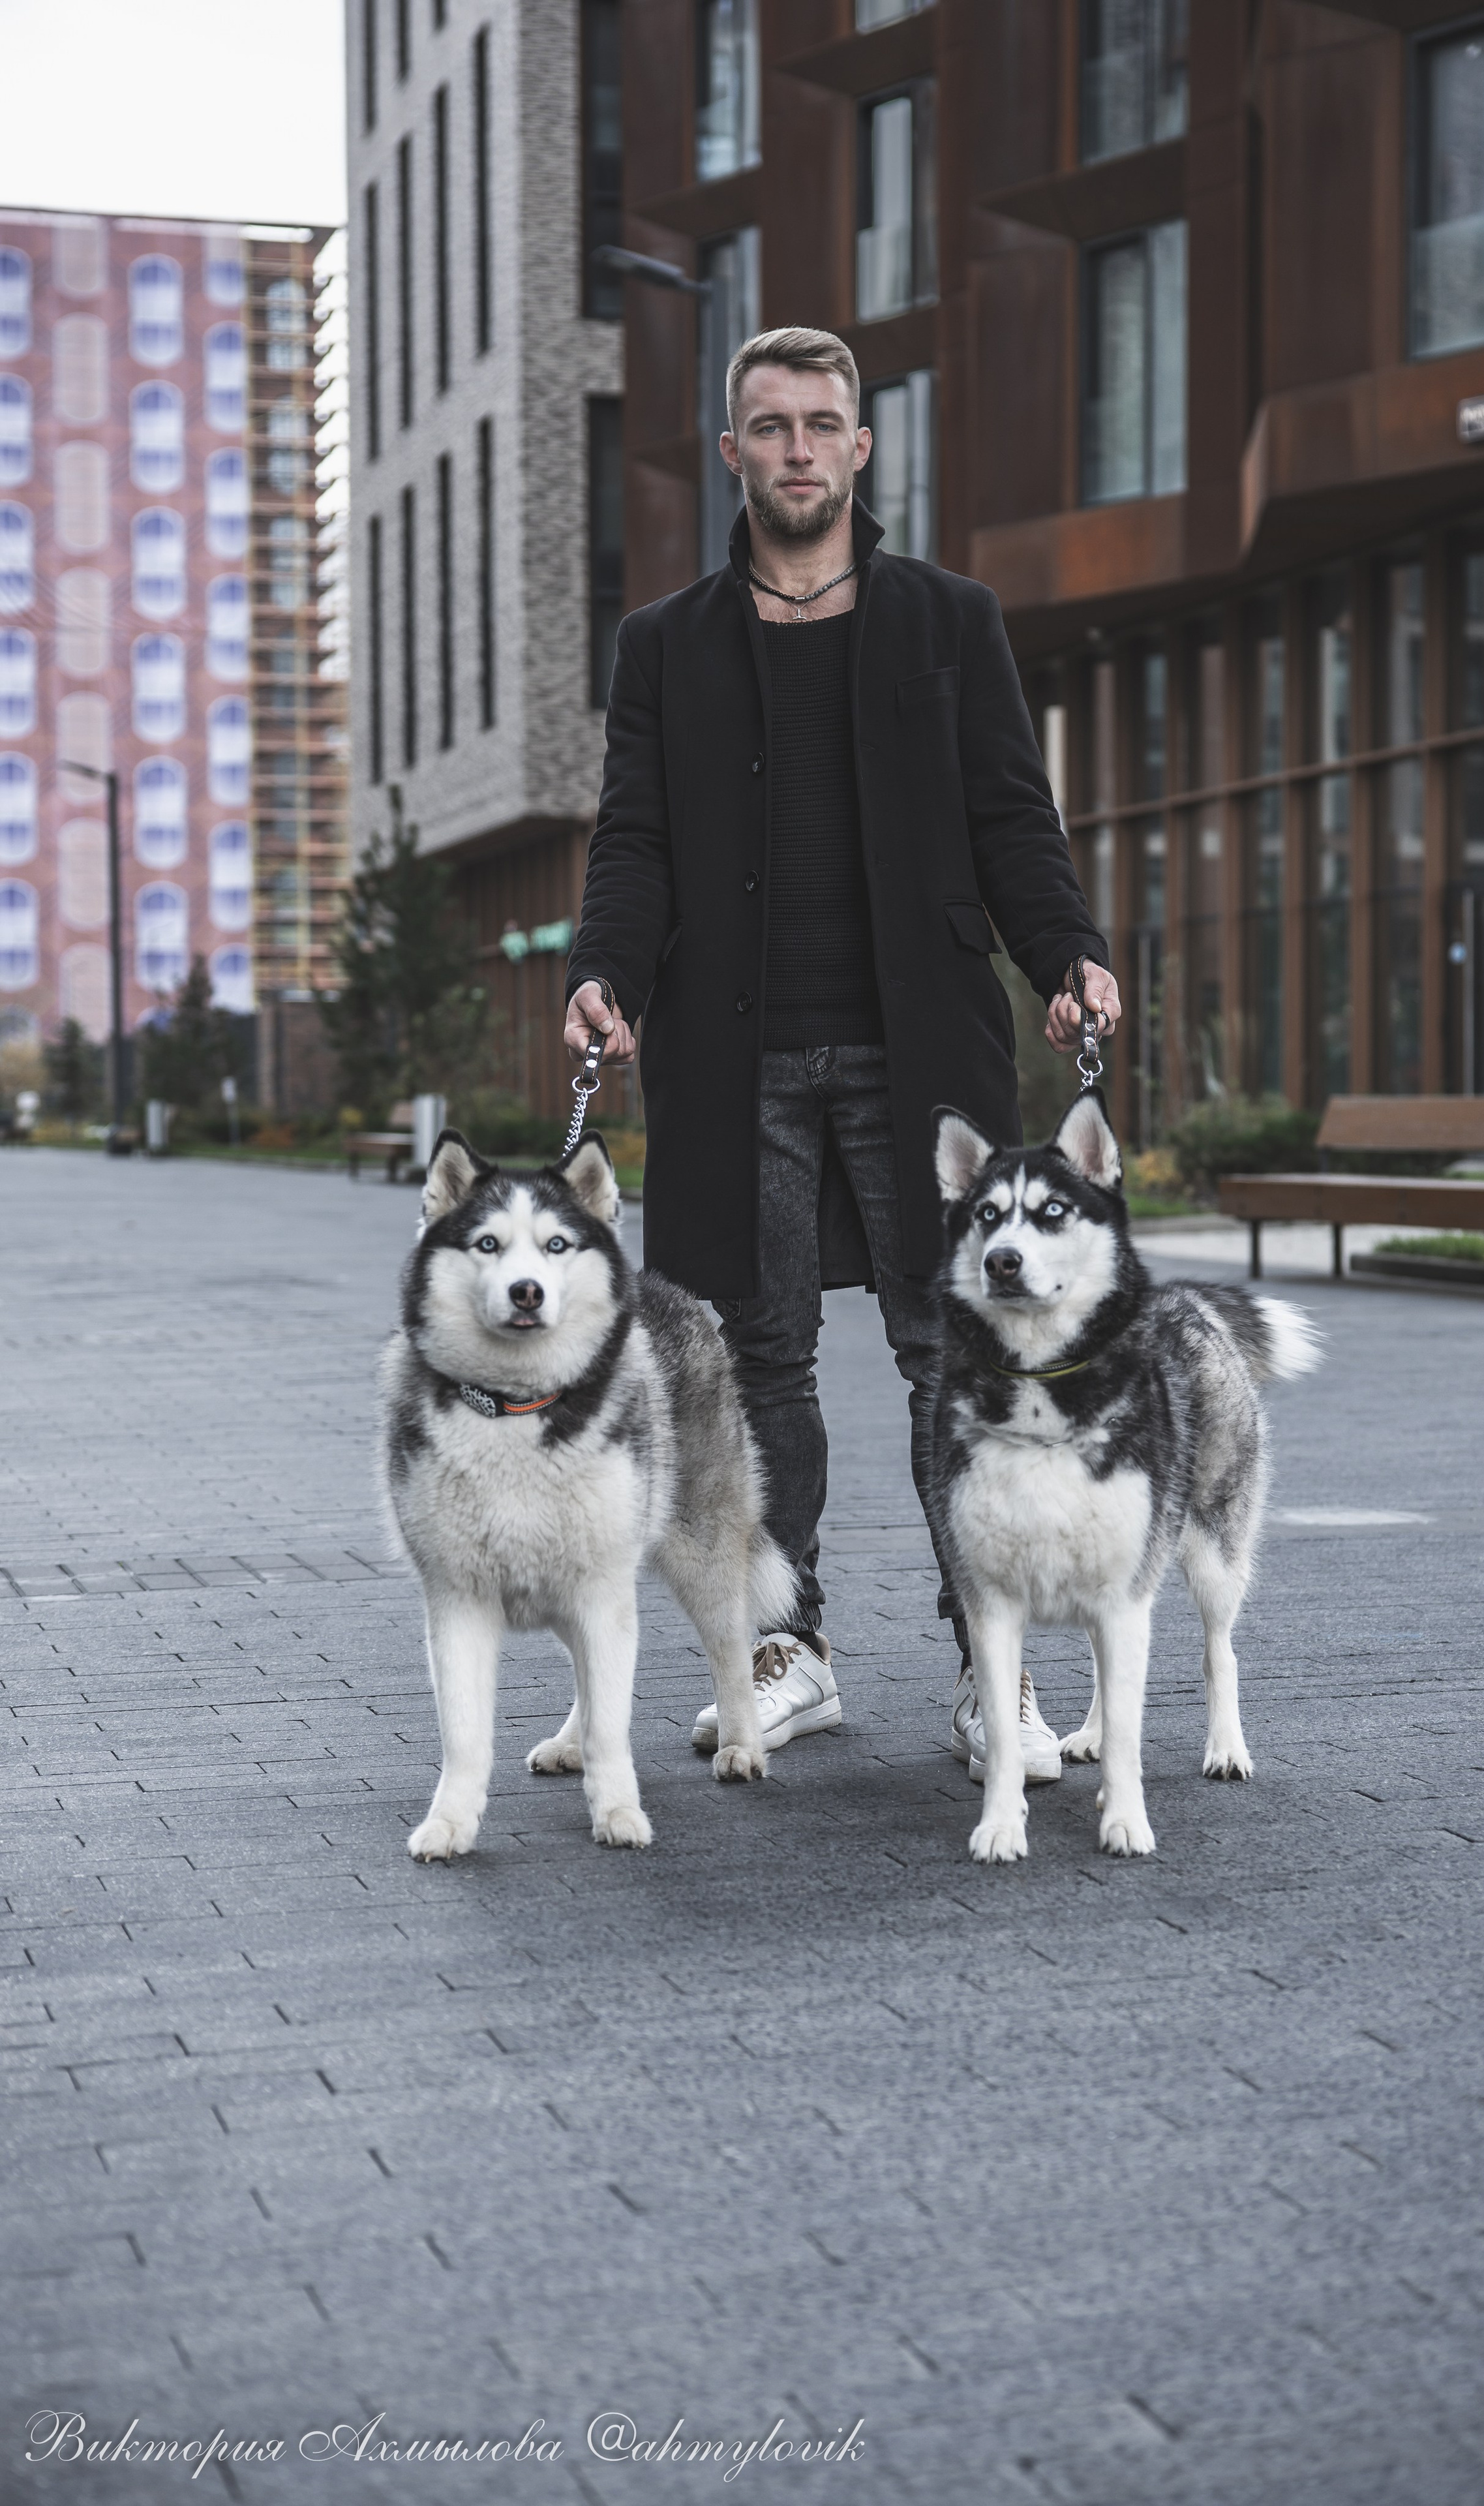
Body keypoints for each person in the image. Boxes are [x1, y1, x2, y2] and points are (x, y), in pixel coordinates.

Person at [564, 326, 1121, 1784]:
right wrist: (602, 973)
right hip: (731, 1055)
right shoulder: (666, 644)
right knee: (759, 1358)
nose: (798, 448)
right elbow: (632, 838)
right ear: (733, 450)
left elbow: (1014, 820)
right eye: (770, 425)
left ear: (860, 450)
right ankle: (785, 1647)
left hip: (916, 1047)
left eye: (822, 423)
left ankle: (984, 1668)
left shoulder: (948, 622)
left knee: (952, 1351)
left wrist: (1066, 954)